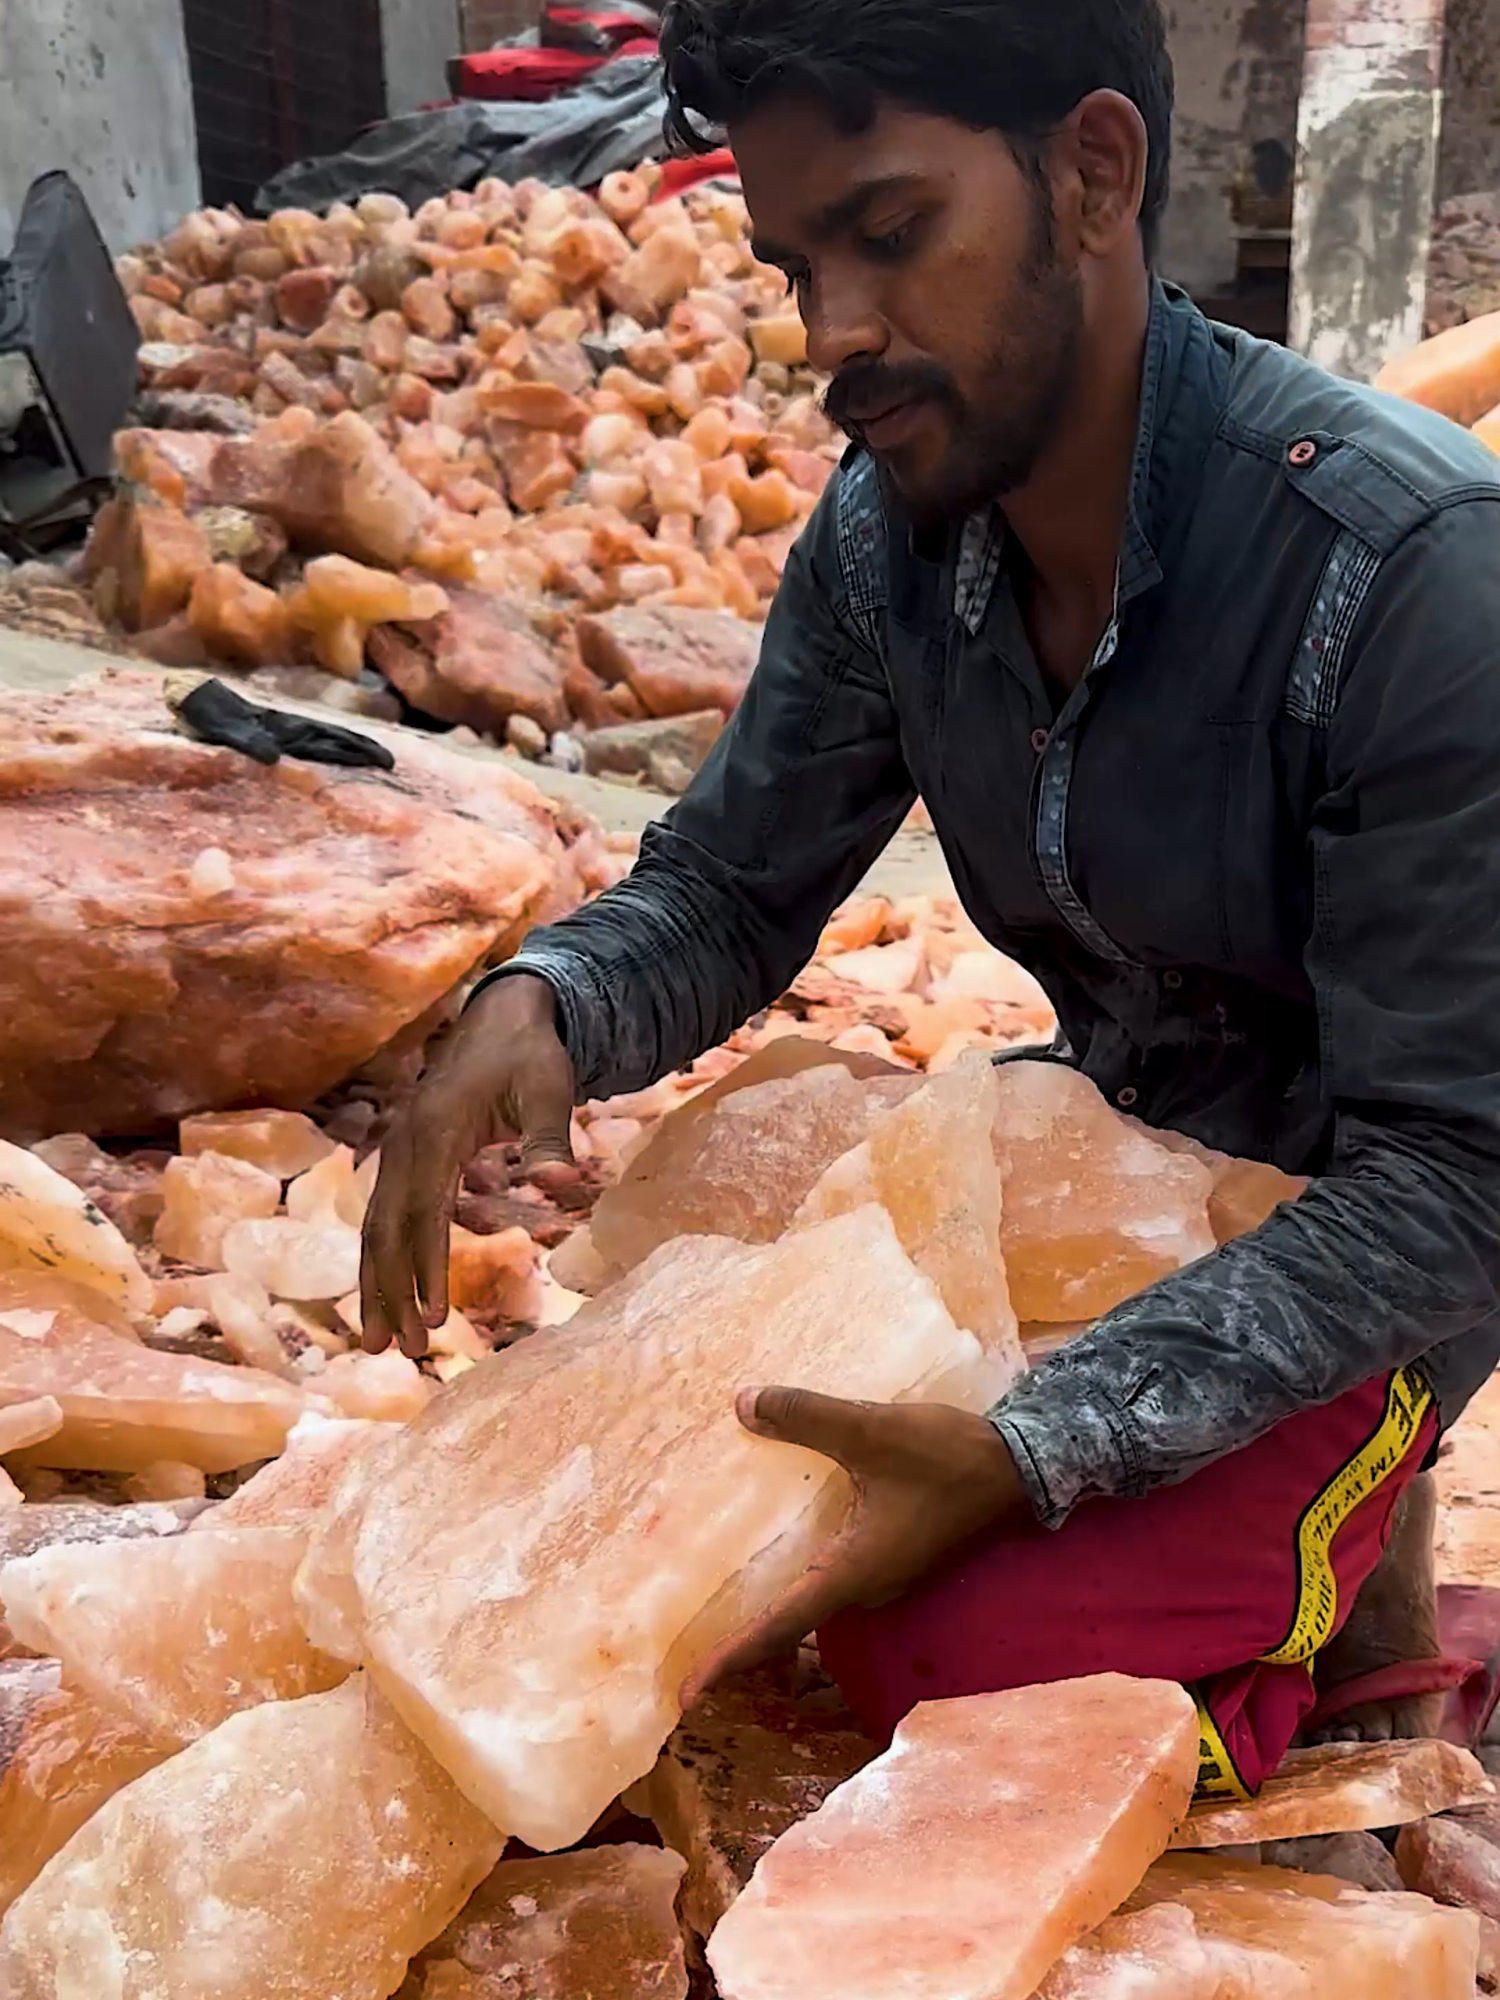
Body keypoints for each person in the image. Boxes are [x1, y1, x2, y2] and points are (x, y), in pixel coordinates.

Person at [361, 0, 1500, 1798]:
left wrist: (1042, 1445)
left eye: (889, 236)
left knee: (934, 1650)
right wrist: (551, 1006)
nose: (837, 337)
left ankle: (1346, 1565)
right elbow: (737, 888)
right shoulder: (893, 533)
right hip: (1103, 1171)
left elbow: (1461, 1178)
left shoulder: (1407, 581)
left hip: (1367, 1244)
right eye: (797, 264)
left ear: (1095, 173)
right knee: (696, 1512)